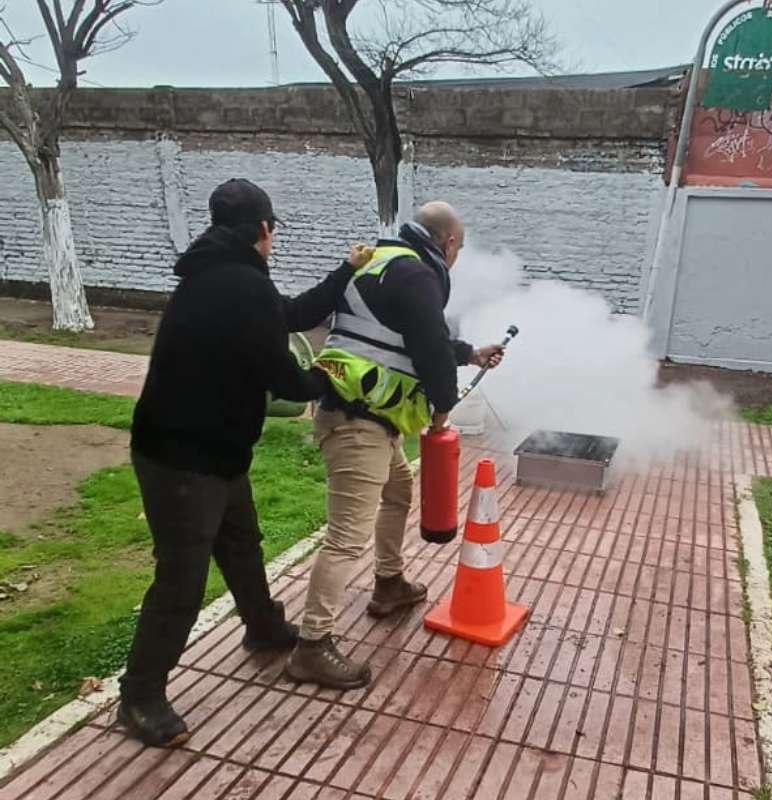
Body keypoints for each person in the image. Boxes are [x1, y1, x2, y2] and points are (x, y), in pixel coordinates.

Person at [118, 178, 373, 747]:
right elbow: (283, 376)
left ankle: (262, 627)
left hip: (208, 448)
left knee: (240, 541)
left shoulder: (215, 275)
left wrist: (343, 271)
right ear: (264, 229)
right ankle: (138, 696)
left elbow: (290, 312)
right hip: (182, 458)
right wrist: (333, 378)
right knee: (181, 579)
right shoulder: (240, 285)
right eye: (274, 229)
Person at [286, 201, 503, 690]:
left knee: (399, 491)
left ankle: (388, 583)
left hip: (368, 421)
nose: (457, 259)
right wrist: (443, 411)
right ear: (448, 244)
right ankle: (312, 645)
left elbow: (406, 337)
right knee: (345, 537)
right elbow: (428, 349)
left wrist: (470, 353)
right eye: (460, 250)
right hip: (356, 426)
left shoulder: (383, 263)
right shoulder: (419, 276)